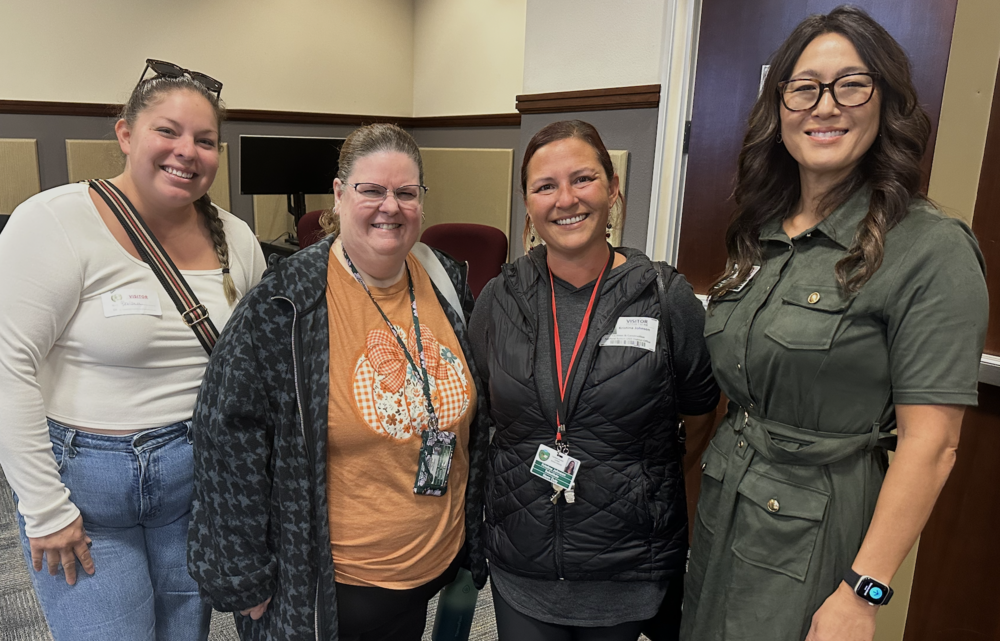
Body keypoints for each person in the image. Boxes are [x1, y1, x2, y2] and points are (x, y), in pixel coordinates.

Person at [681, 7, 989, 641]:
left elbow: (932, 446)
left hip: (817, 533)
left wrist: (862, 591)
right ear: (779, 109)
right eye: (804, 88)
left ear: (887, 101)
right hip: (724, 510)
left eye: (851, 84)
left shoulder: (931, 248)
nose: (825, 106)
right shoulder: (761, 233)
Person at [188, 123, 490, 641]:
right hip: (333, 585)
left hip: (429, 563)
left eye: (405, 192)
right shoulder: (284, 303)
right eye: (371, 189)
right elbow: (226, 440)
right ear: (339, 193)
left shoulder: (442, 277)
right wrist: (243, 577)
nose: (389, 206)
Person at [0, 60, 265, 640]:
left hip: (196, 485)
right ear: (124, 134)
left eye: (205, 140)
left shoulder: (237, 239)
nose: (186, 151)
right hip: (86, 491)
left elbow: (254, 367)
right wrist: (45, 508)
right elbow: (8, 368)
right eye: (167, 131)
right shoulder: (53, 223)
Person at [469, 120, 720, 641]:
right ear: (528, 204)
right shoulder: (499, 298)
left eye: (582, 179)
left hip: (626, 565)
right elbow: (481, 418)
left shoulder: (664, 297)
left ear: (612, 189)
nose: (566, 200)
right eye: (545, 186)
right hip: (522, 563)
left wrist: (641, 490)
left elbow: (700, 416)